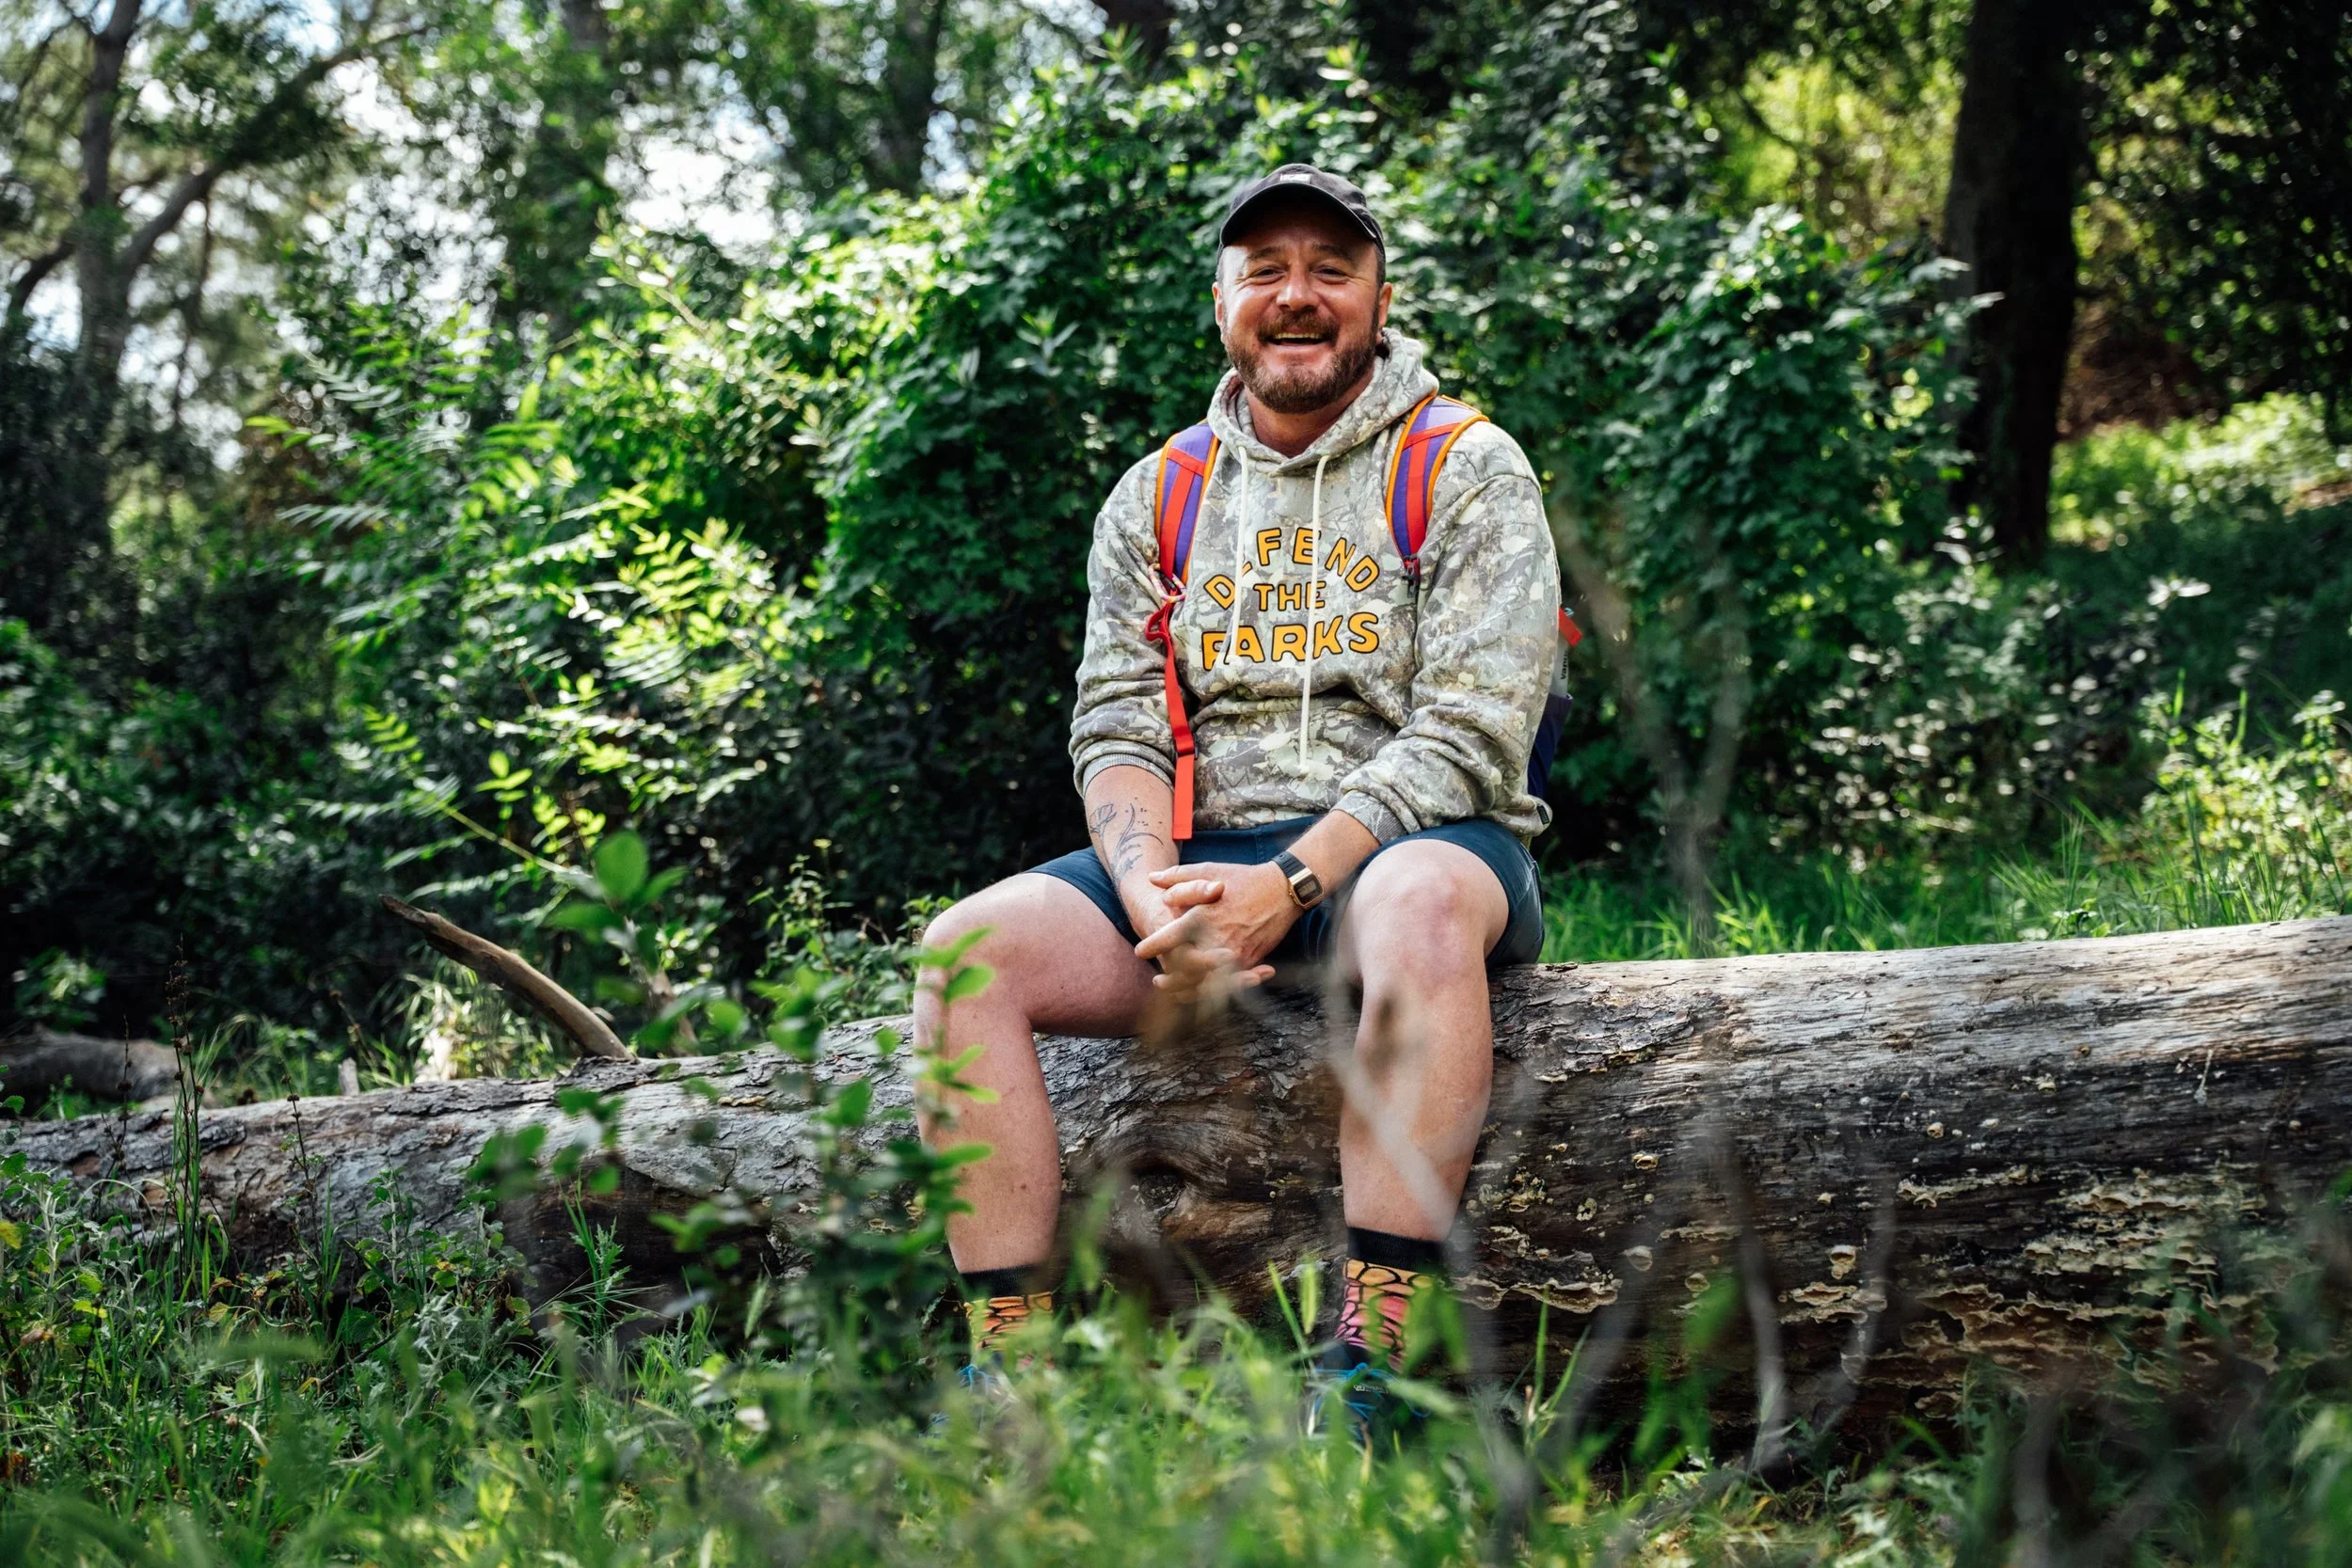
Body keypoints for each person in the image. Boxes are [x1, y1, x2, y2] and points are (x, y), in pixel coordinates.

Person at [914, 164, 1561, 1416]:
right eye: (1265, 270)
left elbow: (1473, 730)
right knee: (966, 952)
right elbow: (1117, 724)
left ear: (1381, 298)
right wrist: (1156, 903)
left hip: (1415, 854)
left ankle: (1371, 1374)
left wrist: (1291, 885)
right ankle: (1010, 1371)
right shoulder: (1158, 494)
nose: (1296, 295)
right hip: (1203, 875)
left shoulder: (1467, 466)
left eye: (1331, 269)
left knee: (1418, 901)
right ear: (1222, 303)